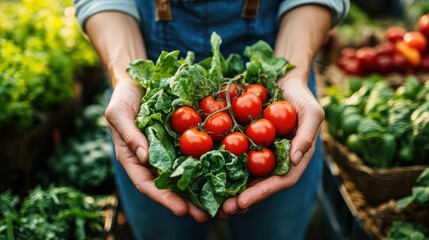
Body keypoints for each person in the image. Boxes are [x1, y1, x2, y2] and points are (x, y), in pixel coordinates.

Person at [73, 1, 349, 239]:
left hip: (283, 58)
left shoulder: (235, 116)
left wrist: (292, 73)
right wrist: (127, 79)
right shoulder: (237, 119)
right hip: (149, 60)